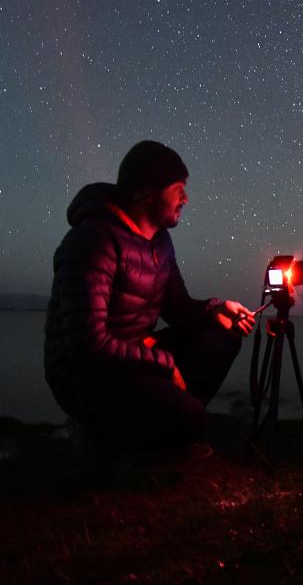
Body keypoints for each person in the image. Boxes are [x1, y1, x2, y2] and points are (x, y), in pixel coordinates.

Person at [44, 140, 255, 458]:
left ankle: (163, 430)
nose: (186, 198)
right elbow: (87, 345)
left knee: (224, 336)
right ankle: (100, 433)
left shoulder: (160, 242)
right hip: (84, 373)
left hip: (134, 357)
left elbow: (179, 309)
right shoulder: (92, 241)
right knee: (190, 417)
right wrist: (164, 363)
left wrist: (215, 309)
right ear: (146, 191)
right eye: (178, 188)